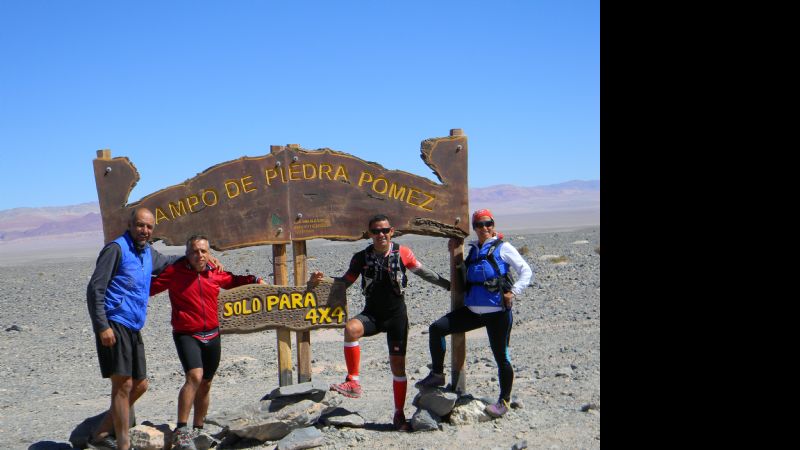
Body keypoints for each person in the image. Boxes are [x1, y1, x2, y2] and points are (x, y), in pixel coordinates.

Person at [86, 207, 223, 450]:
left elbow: (171, 261)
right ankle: (123, 445)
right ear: (130, 225)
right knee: (123, 384)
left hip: (134, 325)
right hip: (115, 322)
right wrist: (102, 326)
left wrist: (199, 256)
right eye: (140, 225)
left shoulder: (148, 253)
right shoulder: (116, 249)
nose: (144, 231)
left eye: (149, 227)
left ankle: (100, 433)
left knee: (140, 385)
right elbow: (95, 288)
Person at [309, 214, 451, 431]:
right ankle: (353, 381)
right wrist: (323, 281)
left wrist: (449, 285)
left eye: (385, 230)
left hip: (397, 318)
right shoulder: (361, 257)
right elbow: (344, 282)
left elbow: (423, 272)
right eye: (376, 231)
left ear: (392, 231)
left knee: (398, 368)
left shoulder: (402, 252)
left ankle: (398, 414)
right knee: (351, 329)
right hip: (372, 315)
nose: (381, 235)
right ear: (370, 234)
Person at [149, 234, 266, 449]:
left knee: (206, 383)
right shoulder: (175, 273)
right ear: (187, 253)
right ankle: (181, 429)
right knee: (194, 376)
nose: (199, 255)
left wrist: (255, 280)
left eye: (203, 251)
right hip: (187, 334)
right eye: (195, 251)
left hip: (212, 334)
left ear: (209, 253)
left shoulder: (215, 273)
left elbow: (233, 281)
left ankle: (199, 428)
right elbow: (150, 288)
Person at [416, 209, 533, 418]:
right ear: (474, 228)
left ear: (493, 225)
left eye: (488, 224)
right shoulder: (475, 250)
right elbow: (464, 275)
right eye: (479, 225)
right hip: (473, 311)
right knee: (437, 329)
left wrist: (513, 292)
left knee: (501, 357)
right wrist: (453, 252)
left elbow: (526, 271)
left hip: (497, 313)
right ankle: (437, 374)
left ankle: (504, 401)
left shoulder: (503, 248)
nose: (484, 228)